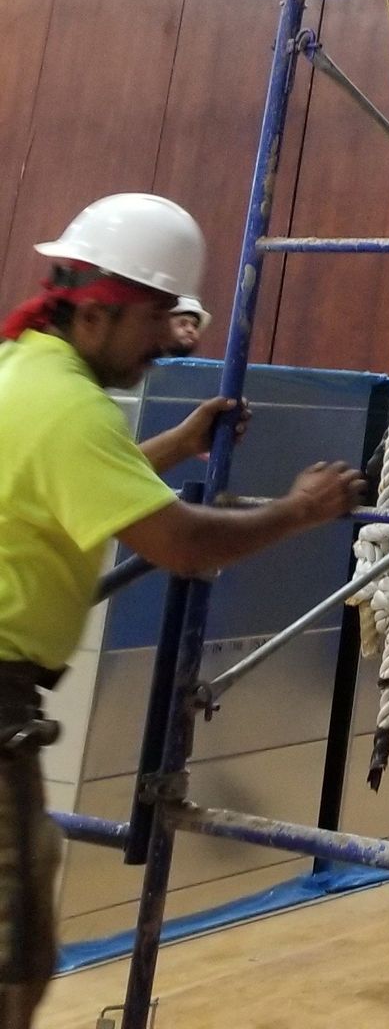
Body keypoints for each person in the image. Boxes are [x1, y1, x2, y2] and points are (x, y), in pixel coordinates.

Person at [0, 193, 364, 1026]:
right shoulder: (70, 409)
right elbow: (183, 544)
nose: (165, 340)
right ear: (101, 309)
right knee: (12, 961)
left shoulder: (22, 370)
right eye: (158, 318)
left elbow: (86, 480)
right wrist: (301, 512)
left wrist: (178, 445)